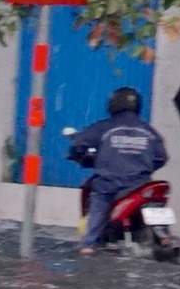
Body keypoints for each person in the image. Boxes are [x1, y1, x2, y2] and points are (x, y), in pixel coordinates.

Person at [69, 86, 168, 253]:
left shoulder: (105, 127)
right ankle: (164, 238)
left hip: (111, 184)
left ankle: (89, 245)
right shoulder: (149, 131)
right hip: (141, 185)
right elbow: (161, 158)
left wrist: (78, 154)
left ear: (113, 104)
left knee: (99, 199)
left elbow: (80, 144)